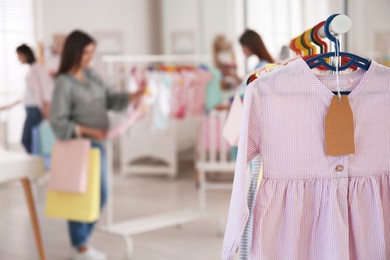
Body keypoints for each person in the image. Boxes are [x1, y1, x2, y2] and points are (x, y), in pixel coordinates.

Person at [50, 30, 144, 260]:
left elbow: (111, 99)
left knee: (99, 196)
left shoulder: (92, 76)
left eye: (92, 52)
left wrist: (134, 95)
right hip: (78, 147)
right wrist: (90, 130)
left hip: (96, 147)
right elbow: (58, 122)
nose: (90, 57)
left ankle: (81, 243)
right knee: (78, 195)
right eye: (85, 53)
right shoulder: (64, 83)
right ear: (74, 52)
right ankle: (80, 246)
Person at [16, 44, 54, 153]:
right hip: (30, 108)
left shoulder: (38, 68)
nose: (18, 58)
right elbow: (32, 91)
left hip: (35, 109)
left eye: (19, 55)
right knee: (32, 139)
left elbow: (45, 87)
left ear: (25, 54)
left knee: (26, 140)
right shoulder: (32, 69)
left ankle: (34, 161)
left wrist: (46, 106)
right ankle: (35, 161)